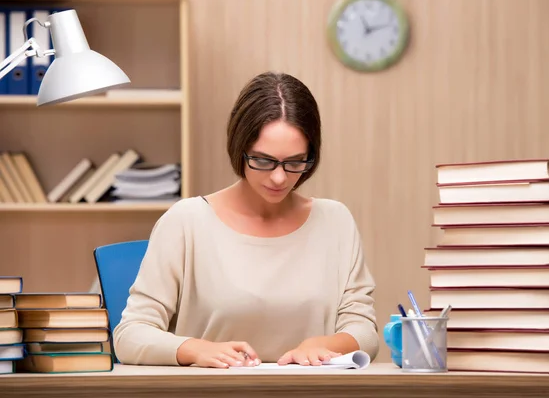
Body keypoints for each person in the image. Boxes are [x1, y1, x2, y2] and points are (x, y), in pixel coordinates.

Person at [113, 71, 378, 368]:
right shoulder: (185, 222)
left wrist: (323, 344)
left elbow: (364, 332)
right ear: (239, 149)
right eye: (263, 161)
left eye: (295, 162)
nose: (279, 177)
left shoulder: (335, 221)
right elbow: (129, 335)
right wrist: (195, 349)